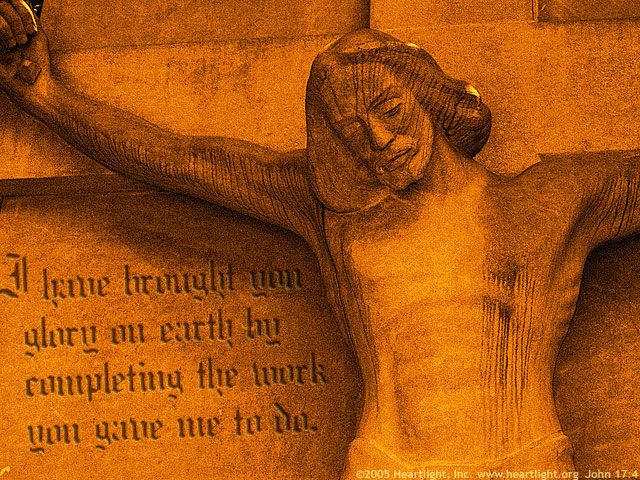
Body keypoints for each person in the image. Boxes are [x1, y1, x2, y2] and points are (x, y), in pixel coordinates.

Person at [1, 3, 639, 477]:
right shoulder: (336, 214)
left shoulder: (544, 202)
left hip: (528, 461)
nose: (379, 141)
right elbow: (184, 161)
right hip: (388, 465)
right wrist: (43, 96)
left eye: (390, 109)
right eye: (352, 131)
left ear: (427, 97)